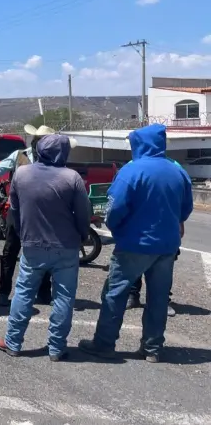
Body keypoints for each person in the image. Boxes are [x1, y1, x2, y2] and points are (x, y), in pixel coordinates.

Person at [78, 124, 193, 363]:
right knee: (159, 297)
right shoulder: (177, 171)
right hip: (167, 245)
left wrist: (117, 230)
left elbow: (115, 208)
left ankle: (104, 343)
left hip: (134, 244)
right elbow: (186, 207)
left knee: (115, 293)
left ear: (139, 144)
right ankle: (152, 348)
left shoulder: (132, 171)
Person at [0, 135, 90, 361]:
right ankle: (56, 348)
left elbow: (15, 211)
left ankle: (13, 341)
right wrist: (83, 235)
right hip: (65, 246)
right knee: (64, 297)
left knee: (24, 293)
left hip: (32, 244)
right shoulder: (71, 177)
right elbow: (83, 213)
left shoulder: (22, 173)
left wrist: (22, 233)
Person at [0, 125, 77, 306]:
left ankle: (43, 292)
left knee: (45, 250)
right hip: (18, 210)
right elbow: (0, 168)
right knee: (10, 251)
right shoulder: (20, 156)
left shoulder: (56, 160)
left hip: (44, 212)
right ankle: (4, 292)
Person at [126, 157, 185, 317]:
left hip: (166, 228)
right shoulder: (132, 165)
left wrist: (180, 222)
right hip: (138, 229)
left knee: (164, 268)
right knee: (135, 264)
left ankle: (162, 301)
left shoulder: (175, 166)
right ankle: (132, 295)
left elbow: (184, 200)